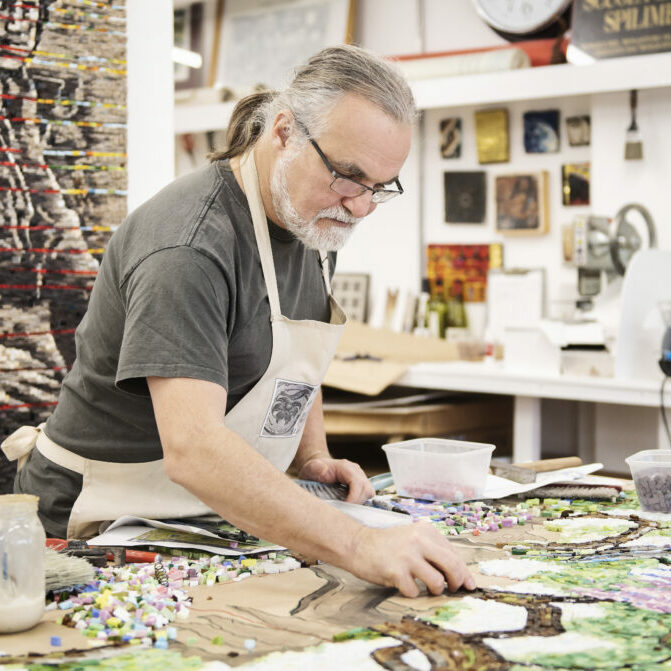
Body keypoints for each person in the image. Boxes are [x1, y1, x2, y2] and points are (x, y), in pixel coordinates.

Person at [3, 45, 475, 598]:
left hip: (206, 520)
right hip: (96, 527)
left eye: (380, 187)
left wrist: (311, 456)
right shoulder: (189, 246)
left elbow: (294, 361)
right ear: (282, 132)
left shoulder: (314, 222)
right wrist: (360, 544)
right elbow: (195, 449)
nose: (361, 207)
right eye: (349, 177)